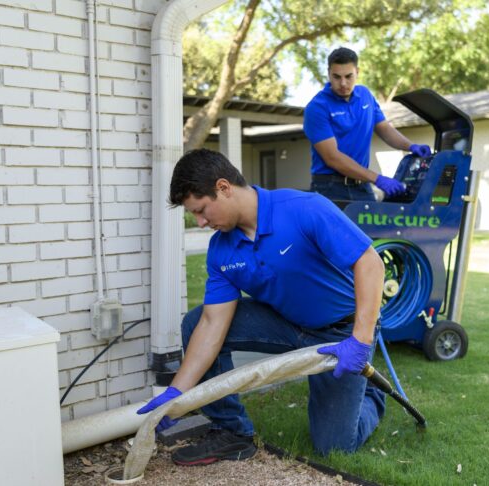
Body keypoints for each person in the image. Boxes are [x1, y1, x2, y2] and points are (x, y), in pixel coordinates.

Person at [137, 148, 386, 465]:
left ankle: (373, 396)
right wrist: (177, 393)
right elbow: (213, 325)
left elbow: (370, 263)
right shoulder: (220, 249)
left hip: (339, 332)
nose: (200, 223)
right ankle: (232, 432)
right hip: (285, 324)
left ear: (224, 188)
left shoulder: (302, 209)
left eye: (201, 210)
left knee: (334, 446)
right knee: (196, 321)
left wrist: (360, 340)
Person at [304, 47, 431, 201]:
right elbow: (332, 157)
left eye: (348, 76)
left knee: (374, 226)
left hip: (362, 185)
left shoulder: (365, 96)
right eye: (336, 77)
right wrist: (377, 179)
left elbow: (384, 128)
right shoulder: (317, 107)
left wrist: (411, 146)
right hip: (330, 187)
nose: (343, 83)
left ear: (357, 72)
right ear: (328, 73)